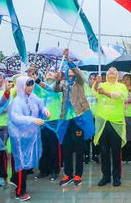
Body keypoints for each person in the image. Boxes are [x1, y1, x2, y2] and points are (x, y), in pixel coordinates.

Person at [54, 49, 95, 187]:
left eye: (71, 70)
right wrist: (57, 80)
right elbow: (55, 89)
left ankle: (78, 174)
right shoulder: (64, 84)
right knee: (66, 148)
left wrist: (68, 60)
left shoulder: (79, 82)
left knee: (78, 148)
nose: (70, 71)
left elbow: (78, 73)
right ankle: (68, 174)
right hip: (66, 119)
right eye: (68, 70)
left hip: (78, 118)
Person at [8, 76, 50, 201]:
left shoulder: (33, 97)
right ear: (21, 86)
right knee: (21, 163)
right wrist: (32, 120)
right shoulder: (16, 101)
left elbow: (41, 105)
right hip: (20, 137)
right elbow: (16, 118)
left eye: (31, 85)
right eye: (27, 85)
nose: (30, 88)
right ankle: (20, 192)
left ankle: (16, 181)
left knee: (26, 163)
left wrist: (45, 110)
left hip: (31, 136)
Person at [93, 67, 128, 187]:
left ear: (117, 74)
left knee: (116, 152)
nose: (111, 71)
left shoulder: (121, 86)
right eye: (109, 70)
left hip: (116, 123)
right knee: (104, 151)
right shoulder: (101, 85)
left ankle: (116, 177)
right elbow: (95, 93)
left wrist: (105, 93)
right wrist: (97, 83)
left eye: (114, 70)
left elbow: (118, 96)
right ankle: (105, 176)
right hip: (103, 123)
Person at [34, 70, 62, 181]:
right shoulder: (38, 87)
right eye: (47, 72)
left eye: (52, 72)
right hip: (41, 121)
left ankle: (55, 170)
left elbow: (49, 89)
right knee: (43, 147)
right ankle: (43, 169)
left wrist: (37, 80)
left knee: (53, 147)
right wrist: (32, 77)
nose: (49, 73)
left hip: (54, 120)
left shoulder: (57, 86)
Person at [84, 73, 100, 164]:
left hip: (96, 117)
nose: (92, 81)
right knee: (86, 137)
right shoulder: (85, 89)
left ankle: (95, 155)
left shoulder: (99, 89)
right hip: (87, 117)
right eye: (90, 79)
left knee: (96, 137)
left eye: (94, 79)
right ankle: (86, 155)